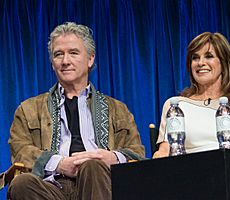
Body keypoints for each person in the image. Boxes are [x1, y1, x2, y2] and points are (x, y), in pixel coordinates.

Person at [7, 22, 145, 200]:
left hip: (100, 184)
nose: (65, 61)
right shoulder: (28, 109)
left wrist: (111, 157)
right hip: (51, 187)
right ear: (52, 63)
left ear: (90, 59)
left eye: (73, 53)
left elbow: (137, 153)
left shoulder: (118, 109)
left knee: (92, 167)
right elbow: (20, 150)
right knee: (21, 184)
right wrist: (60, 164)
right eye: (58, 54)